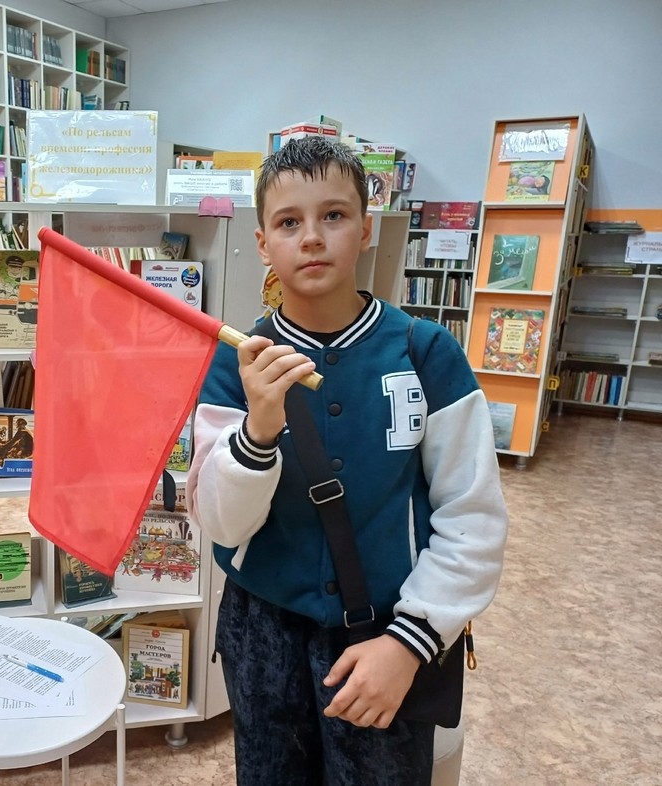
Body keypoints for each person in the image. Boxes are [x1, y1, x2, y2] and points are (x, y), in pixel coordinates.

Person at [188, 135, 508, 785]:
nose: (311, 237)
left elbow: (472, 516)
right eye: (288, 222)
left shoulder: (426, 353)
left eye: (333, 215)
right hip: (262, 630)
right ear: (262, 244)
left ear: (365, 230)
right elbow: (220, 524)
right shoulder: (234, 360)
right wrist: (258, 429)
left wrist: (410, 644)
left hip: (390, 632)